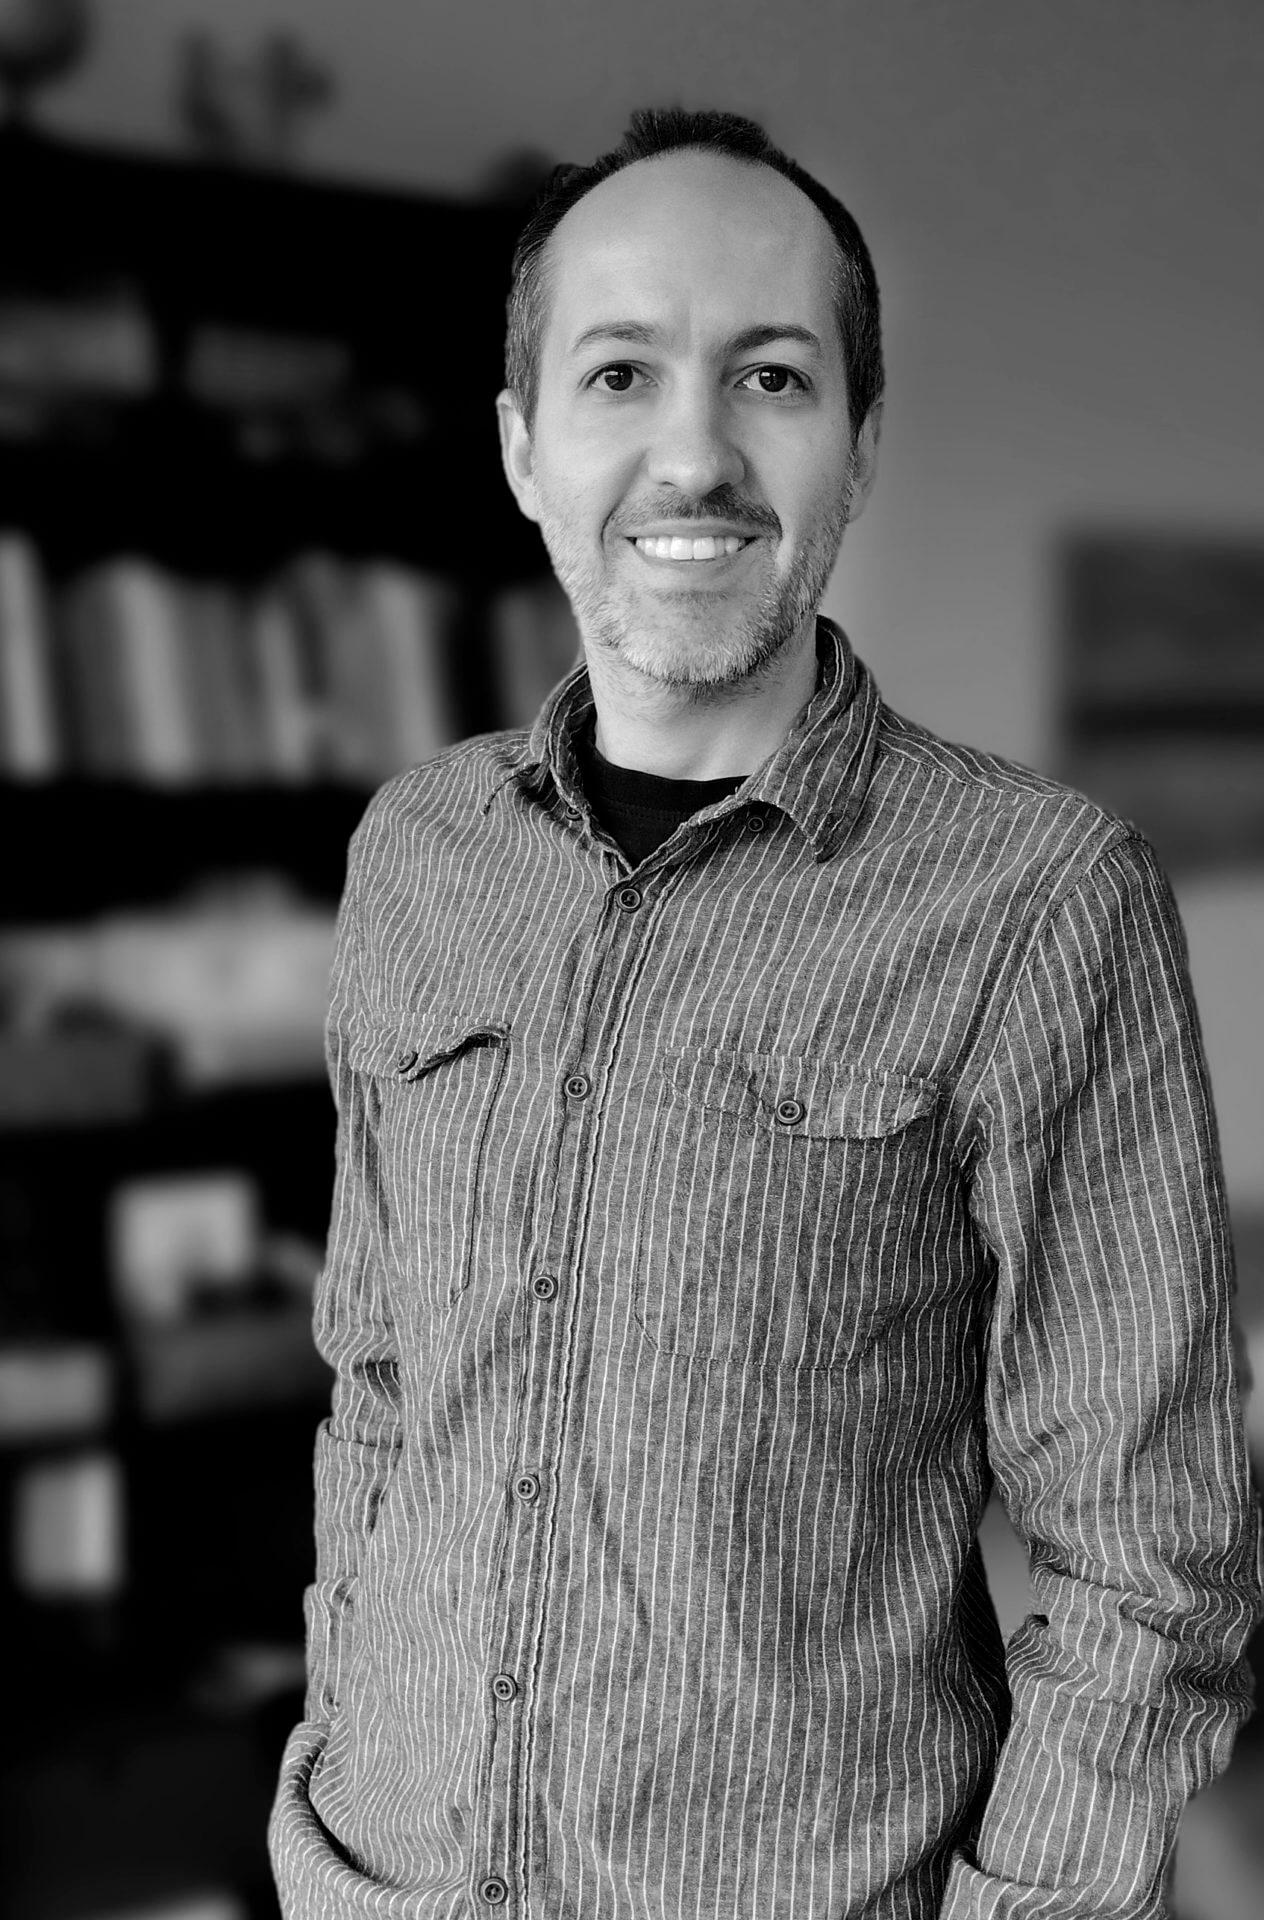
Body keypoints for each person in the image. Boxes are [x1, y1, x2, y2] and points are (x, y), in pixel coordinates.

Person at [270, 107, 1261, 1919]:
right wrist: (332, 1787)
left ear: (858, 445)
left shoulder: (1042, 900)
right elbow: (385, 1388)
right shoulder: (415, 851)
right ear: (522, 447)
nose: (695, 454)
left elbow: (1152, 1560)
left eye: (773, 377)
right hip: (380, 1879)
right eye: (620, 373)